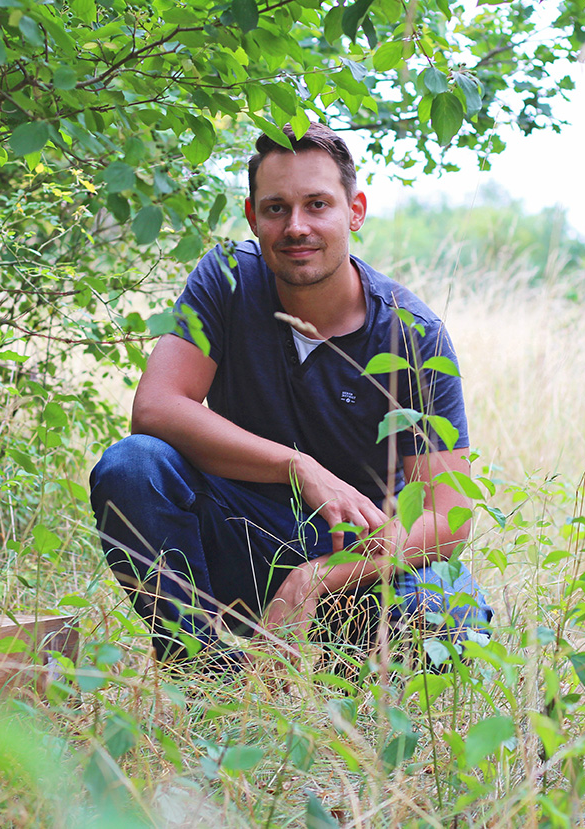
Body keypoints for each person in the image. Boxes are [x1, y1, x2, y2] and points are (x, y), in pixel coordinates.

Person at [90, 123, 492, 665]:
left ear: (355, 211)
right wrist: (296, 466)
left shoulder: (412, 333)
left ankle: (333, 674)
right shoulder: (228, 278)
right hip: (238, 536)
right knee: (132, 466)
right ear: (253, 216)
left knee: (453, 619)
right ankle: (205, 676)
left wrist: (316, 578)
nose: (296, 226)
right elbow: (156, 407)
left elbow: (448, 515)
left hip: (356, 557)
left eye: (317, 205)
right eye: (276, 209)